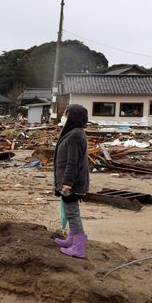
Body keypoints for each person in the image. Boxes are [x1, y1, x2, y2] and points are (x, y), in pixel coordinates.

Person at [53, 104, 90, 258]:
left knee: (72, 214)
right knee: (70, 212)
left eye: (66, 113)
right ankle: (71, 239)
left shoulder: (75, 135)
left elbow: (72, 162)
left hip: (73, 183)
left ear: (73, 116)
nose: (63, 115)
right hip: (71, 181)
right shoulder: (73, 132)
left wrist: (67, 183)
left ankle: (79, 247)